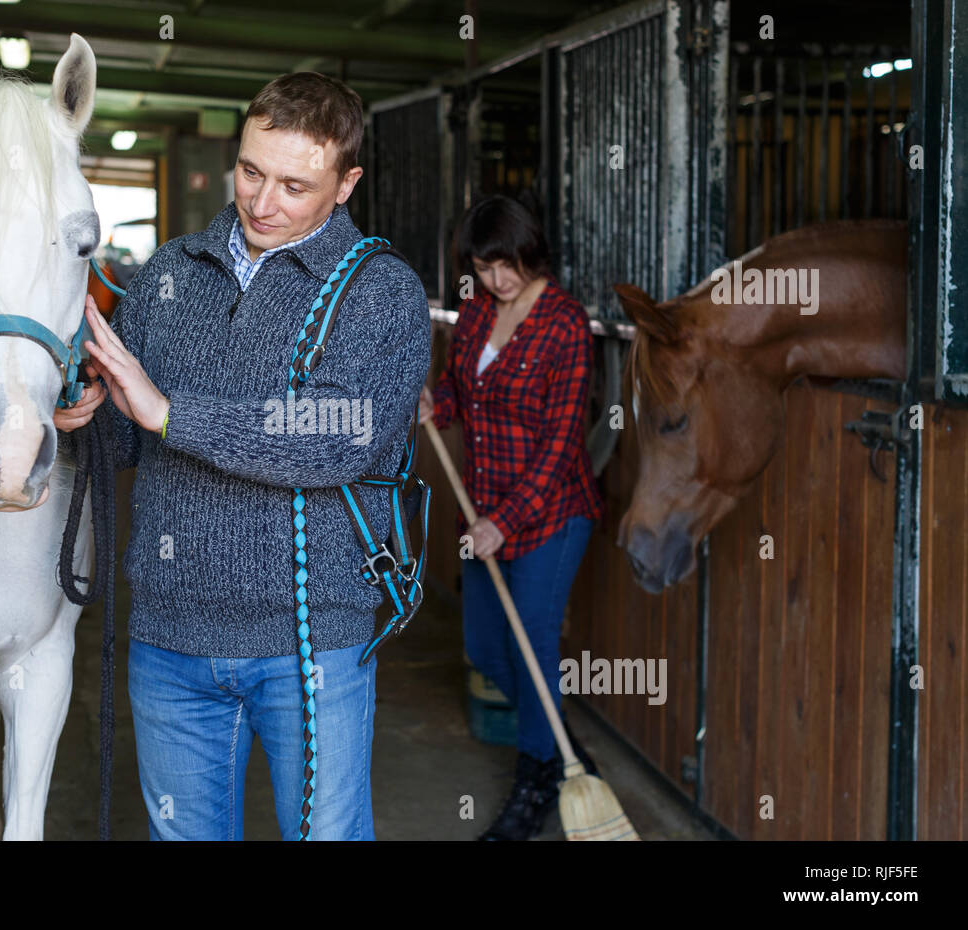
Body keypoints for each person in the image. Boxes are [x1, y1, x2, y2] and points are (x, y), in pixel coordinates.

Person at [55, 72, 431, 840]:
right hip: (168, 639)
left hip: (311, 644)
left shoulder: (382, 292)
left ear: (346, 183)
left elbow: (334, 437)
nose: (263, 203)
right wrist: (87, 417)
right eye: (252, 171)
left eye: (296, 185)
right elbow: (130, 440)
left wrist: (169, 411)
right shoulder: (167, 275)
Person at [418, 194, 604, 841]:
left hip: (551, 515)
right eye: (485, 266)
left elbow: (561, 444)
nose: (497, 279)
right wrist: (431, 406)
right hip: (484, 510)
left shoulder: (565, 323)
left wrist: (508, 520)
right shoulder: (473, 314)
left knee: (532, 646)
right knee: (487, 649)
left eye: (506, 264)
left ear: (531, 250)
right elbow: (458, 392)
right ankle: (558, 742)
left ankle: (534, 783)